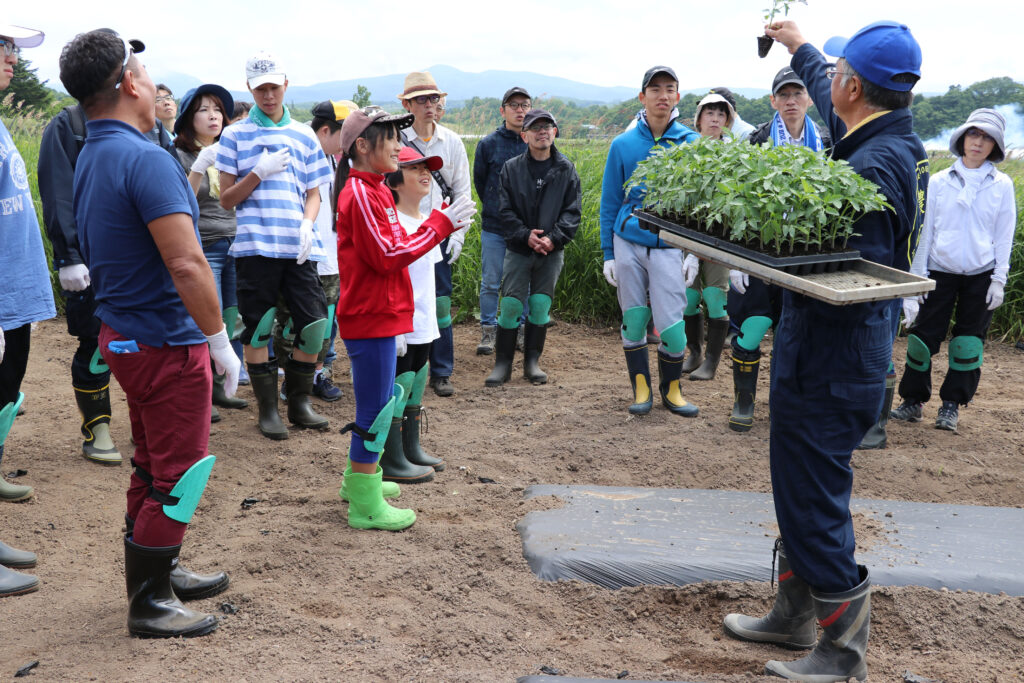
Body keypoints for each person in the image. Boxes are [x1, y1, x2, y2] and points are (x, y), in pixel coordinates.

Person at [722, 20, 928, 681]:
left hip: (836, 358)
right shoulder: (869, 128)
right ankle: (795, 613)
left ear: (854, 87)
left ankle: (842, 654)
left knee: (815, 496)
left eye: (836, 72)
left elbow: (848, 263)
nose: (825, 80)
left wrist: (760, 232)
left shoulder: (879, 164)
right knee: (796, 483)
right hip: (815, 348)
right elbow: (820, 77)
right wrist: (797, 42)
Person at [59, 28, 240, 637]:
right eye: (141, 67)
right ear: (129, 83)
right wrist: (218, 339)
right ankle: (149, 601)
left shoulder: (94, 150)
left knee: (150, 464)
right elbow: (186, 262)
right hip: (164, 339)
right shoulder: (145, 158)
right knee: (180, 472)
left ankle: (160, 572)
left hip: (126, 335)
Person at [333, 107, 474, 528]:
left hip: (383, 313)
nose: (399, 145)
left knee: (379, 404)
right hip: (370, 316)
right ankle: (364, 504)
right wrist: (440, 225)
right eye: (391, 137)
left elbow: (393, 244)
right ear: (362, 145)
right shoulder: (360, 194)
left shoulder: (375, 189)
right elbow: (389, 256)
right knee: (375, 411)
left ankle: (358, 479)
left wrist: (436, 225)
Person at [38, 29, 157, 466]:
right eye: (135, 69)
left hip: (139, 265)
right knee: (95, 344)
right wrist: (68, 255)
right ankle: (98, 427)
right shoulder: (68, 126)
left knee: (140, 343)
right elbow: (58, 194)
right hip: (90, 264)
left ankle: (144, 423)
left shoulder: (150, 130)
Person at [215, 51, 333, 440]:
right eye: (261, 88)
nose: (268, 95)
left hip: (298, 247)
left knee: (314, 326)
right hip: (255, 247)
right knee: (259, 328)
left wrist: (306, 224)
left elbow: (314, 192)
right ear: (250, 87)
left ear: (286, 84)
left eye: (274, 87)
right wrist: (257, 173)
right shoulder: (234, 135)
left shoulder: (303, 135)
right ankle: (268, 410)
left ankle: (299, 402)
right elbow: (227, 199)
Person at [891, 109, 1015, 434]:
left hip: (982, 273)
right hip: (938, 270)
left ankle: (951, 406)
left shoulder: (1002, 186)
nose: (978, 142)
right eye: (973, 134)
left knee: (967, 344)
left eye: (987, 138)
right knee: (920, 340)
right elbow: (925, 232)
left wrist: (999, 279)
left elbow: (1004, 235)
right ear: (962, 138)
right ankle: (913, 401)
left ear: (995, 146)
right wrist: (917, 280)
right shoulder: (939, 182)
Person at [728, 66, 830, 432]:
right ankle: (744, 401)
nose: (791, 101)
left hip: (806, 256)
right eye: (783, 95)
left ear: (809, 99)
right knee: (753, 326)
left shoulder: (829, 143)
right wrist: (737, 260)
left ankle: (788, 407)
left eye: (797, 94)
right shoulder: (755, 141)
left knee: (800, 332)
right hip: (760, 251)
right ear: (773, 101)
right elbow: (738, 202)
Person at [600, 66, 700, 418]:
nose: (662, 95)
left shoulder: (691, 143)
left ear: (677, 97)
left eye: (669, 88)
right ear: (642, 97)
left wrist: (694, 253)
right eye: (654, 89)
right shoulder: (623, 145)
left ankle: (672, 390)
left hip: (671, 244)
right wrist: (608, 253)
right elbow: (610, 201)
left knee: (673, 326)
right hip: (627, 240)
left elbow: (699, 203)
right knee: (634, 317)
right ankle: (640, 387)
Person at [1, 20, 55, 511]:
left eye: (13, 49)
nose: (11, 58)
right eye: (0, 46)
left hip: (13, 286)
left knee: (9, 379)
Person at [486, 109, 580, 387]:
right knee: (512, 304)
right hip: (519, 248)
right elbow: (504, 211)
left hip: (552, 251)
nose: (542, 132)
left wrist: (554, 237)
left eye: (547, 127)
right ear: (524, 135)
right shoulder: (511, 168)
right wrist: (525, 235)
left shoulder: (567, 169)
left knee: (540, 305)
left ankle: (531, 362)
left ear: (555, 132)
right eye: (535, 128)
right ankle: (502, 364)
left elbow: (572, 212)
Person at [272, 99, 357, 403]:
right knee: (293, 321)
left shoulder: (339, 162)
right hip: (300, 256)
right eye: (344, 135)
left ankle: (316, 374)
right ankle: (290, 378)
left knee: (326, 322)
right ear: (325, 131)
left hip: (331, 259)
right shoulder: (299, 158)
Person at [172, 83, 247, 422]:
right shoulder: (179, 156)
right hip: (206, 244)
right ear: (189, 118)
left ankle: (219, 387)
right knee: (208, 318)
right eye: (204, 109)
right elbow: (181, 204)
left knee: (231, 317)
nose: (213, 115)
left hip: (238, 243)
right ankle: (200, 393)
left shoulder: (231, 152)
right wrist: (199, 166)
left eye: (217, 109)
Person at [398, 71, 472, 397]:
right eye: (421, 99)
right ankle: (404, 368)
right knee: (405, 300)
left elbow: (462, 193)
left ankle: (440, 371)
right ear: (407, 104)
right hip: (402, 232)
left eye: (433, 98)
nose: (429, 105)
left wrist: (458, 235)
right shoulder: (396, 140)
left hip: (440, 234)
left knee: (439, 304)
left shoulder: (452, 142)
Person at [380, 146, 451, 482]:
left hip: (423, 318)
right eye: (414, 169)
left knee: (418, 378)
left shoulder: (426, 221)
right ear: (394, 180)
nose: (425, 174)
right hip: (401, 320)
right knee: (400, 381)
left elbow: (429, 277)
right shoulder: (394, 222)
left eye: (427, 168)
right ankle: (390, 456)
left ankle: (411, 448)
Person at [679, 92, 738, 383]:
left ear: (727, 121)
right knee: (689, 298)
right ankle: (695, 352)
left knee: (715, 298)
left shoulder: (736, 155)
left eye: (720, 114)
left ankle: (712, 363)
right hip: (688, 238)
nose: (715, 119)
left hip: (720, 241)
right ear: (699, 119)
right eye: (709, 113)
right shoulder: (687, 151)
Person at [473, 86, 531, 356]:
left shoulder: (535, 141)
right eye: (514, 105)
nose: (520, 110)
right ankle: (488, 331)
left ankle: (520, 330)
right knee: (491, 281)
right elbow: (482, 183)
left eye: (525, 105)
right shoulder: (488, 144)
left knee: (524, 282)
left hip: (527, 229)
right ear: (503, 110)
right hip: (495, 227)